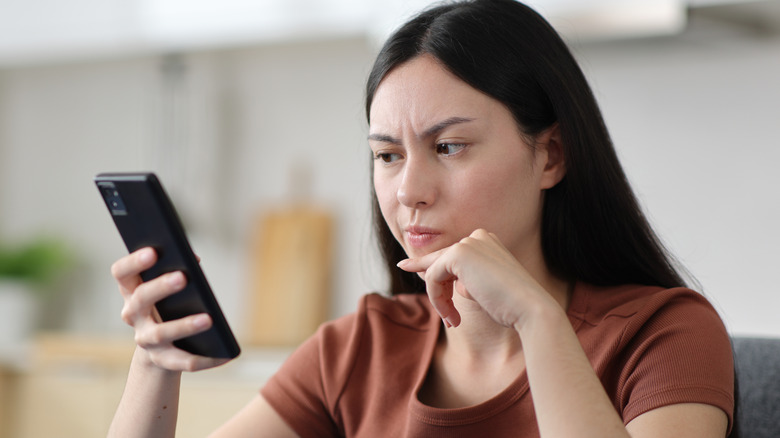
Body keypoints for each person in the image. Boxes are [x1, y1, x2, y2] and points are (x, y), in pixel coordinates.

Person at [107, 0, 736, 437]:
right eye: (387, 155)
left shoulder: (663, 334)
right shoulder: (360, 349)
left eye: (449, 146)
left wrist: (536, 319)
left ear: (550, 156)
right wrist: (154, 364)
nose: (408, 190)